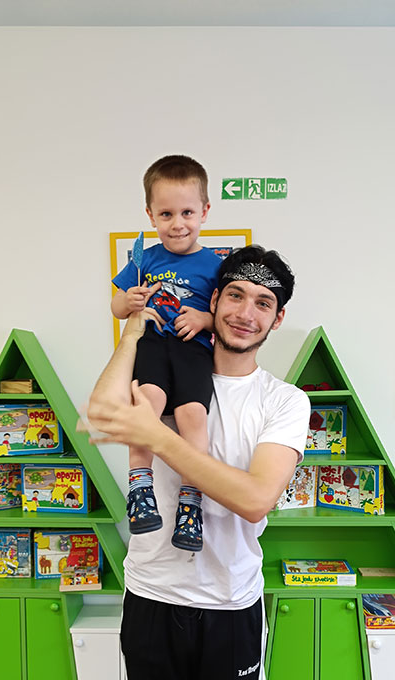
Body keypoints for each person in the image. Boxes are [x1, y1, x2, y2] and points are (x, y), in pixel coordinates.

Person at [86, 244, 311, 680]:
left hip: (231, 609)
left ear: (277, 318)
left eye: (263, 303)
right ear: (213, 299)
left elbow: (254, 497)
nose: (246, 312)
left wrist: (156, 436)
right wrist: (133, 329)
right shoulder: (163, 366)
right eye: (235, 295)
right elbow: (100, 415)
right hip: (152, 599)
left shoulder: (283, 401)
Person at [112, 155, 222, 552]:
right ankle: (140, 488)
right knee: (148, 404)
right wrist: (128, 301)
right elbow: (116, 307)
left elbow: (222, 318)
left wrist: (205, 319)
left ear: (204, 211)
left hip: (193, 351)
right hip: (154, 345)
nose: (178, 224)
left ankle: (191, 504)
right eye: (166, 214)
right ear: (151, 215)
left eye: (187, 212)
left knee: (193, 416)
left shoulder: (215, 265)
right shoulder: (145, 260)